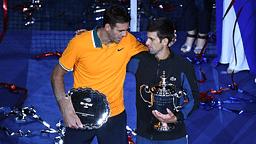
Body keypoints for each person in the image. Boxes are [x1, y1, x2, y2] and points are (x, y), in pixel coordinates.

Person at [50, 4, 147, 144]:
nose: (124, 34)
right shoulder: (79, 43)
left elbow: (151, 53)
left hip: (114, 115)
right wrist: (65, 109)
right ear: (107, 27)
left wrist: (166, 42)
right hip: (81, 114)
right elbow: (56, 75)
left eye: (126, 30)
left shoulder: (128, 41)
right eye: (120, 30)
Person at [127, 17, 201, 143]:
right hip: (145, 135)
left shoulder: (183, 66)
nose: (147, 43)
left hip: (174, 137)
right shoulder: (137, 61)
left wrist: (177, 117)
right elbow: (113, 63)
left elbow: (194, 98)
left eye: (152, 39)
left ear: (165, 41)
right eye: (147, 38)